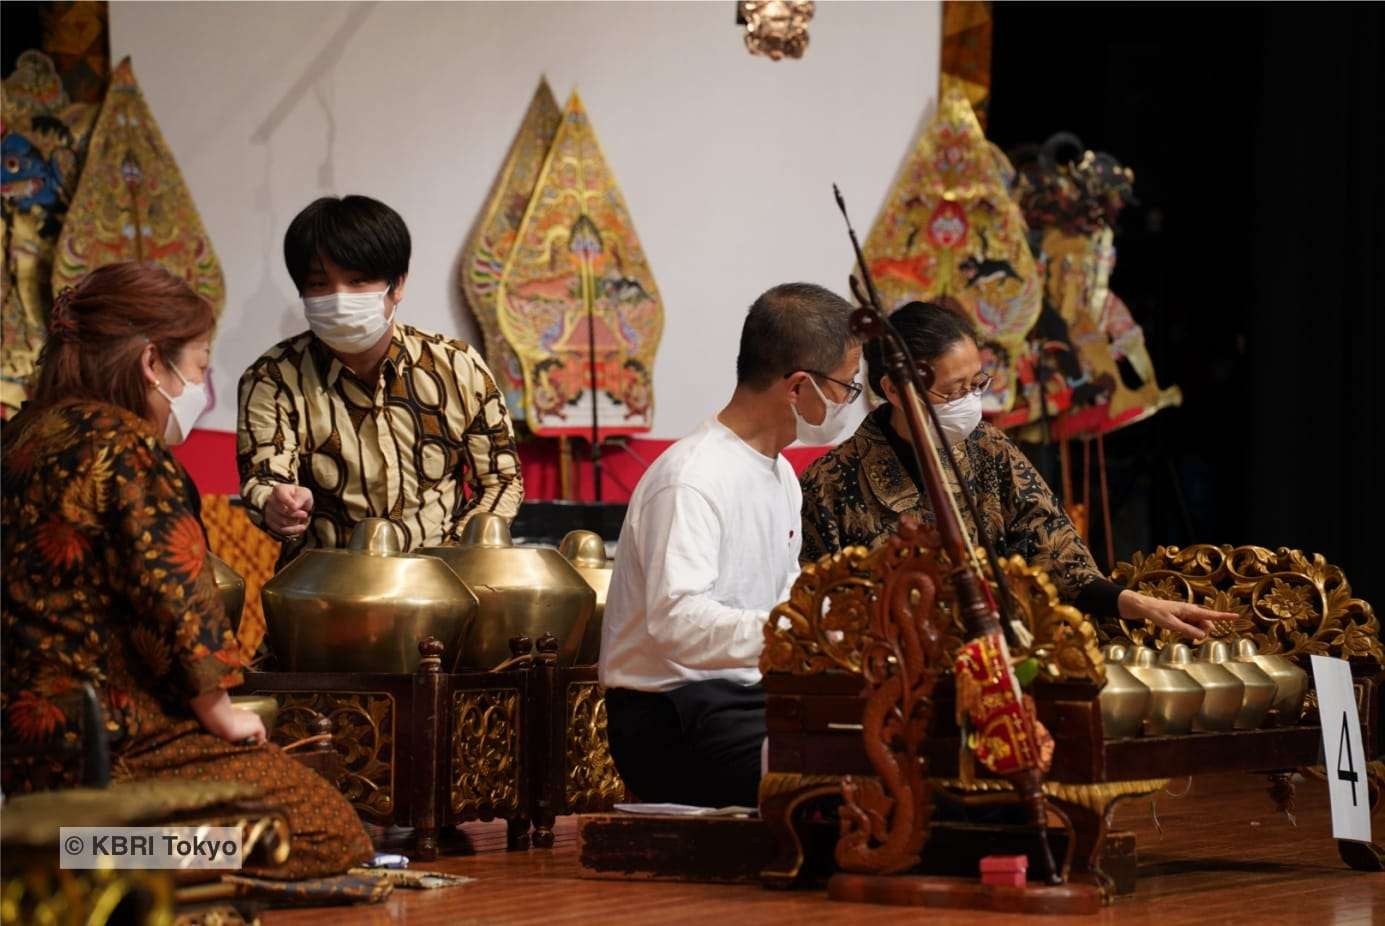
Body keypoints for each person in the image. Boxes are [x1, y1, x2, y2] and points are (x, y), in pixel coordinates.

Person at [1, 262, 373, 877]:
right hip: (114, 737)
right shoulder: (126, 447)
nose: (204, 385)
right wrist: (220, 710)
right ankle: (89, 853)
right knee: (324, 832)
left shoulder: (22, 436)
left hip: (21, 740)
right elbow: (173, 591)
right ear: (153, 363)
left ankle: (63, 844)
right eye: (201, 365)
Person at [799, 301, 1234, 639]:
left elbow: (1054, 551)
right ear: (893, 389)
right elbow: (820, 611)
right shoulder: (830, 482)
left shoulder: (990, 449)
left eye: (977, 384)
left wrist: (1128, 601)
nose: (971, 401)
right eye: (954, 390)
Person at [600, 282, 862, 808]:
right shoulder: (691, 478)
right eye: (845, 387)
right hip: (674, 716)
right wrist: (798, 630)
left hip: (751, 698)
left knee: (893, 752)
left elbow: (785, 593)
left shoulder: (781, 474)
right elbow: (677, 623)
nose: (848, 402)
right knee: (844, 791)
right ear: (796, 388)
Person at [237, 195, 522, 565]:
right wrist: (278, 506)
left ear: (397, 285)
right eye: (320, 283)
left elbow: (500, 480)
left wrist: (453, 555)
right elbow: (264, 480)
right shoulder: (273, 378)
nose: (339, 298)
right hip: (326, 597)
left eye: (358, 281)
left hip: (446, 588)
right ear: (302, 292)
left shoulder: (458, 367)